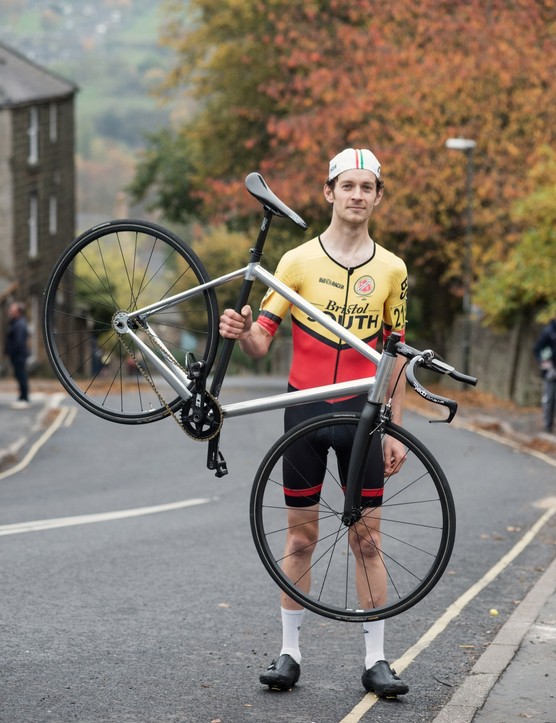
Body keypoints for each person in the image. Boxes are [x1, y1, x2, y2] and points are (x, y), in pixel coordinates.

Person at [219, 148, 409, 697]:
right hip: (303, 408)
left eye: (366, 187)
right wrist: (242, 328)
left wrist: (394, 426)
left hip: (363, 416)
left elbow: (393, 356)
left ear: (376, 197)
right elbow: (261, 344)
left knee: (367, 542)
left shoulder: (392, 268)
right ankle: (288, 654)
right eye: (346, 185)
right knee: (301, 537)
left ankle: (376, 660)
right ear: (329, 193)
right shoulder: (296, 261)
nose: (356, 195)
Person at [5, 301, 30, 409]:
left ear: (18, 312)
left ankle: (24, 397)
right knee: (19, 375)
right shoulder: (16, 322)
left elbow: (18, 342)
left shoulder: (19, 324)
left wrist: (13, 352)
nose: (10, 312)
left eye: (12, 310)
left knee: (21, 375)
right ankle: (22, 396)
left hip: (19, 355)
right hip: (17, 354)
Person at [533, 318, 556, 433]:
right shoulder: (549, 331)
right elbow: (538, 349)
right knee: (549, 399)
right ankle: (548, 426)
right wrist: (544, 362)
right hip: (551, 372)